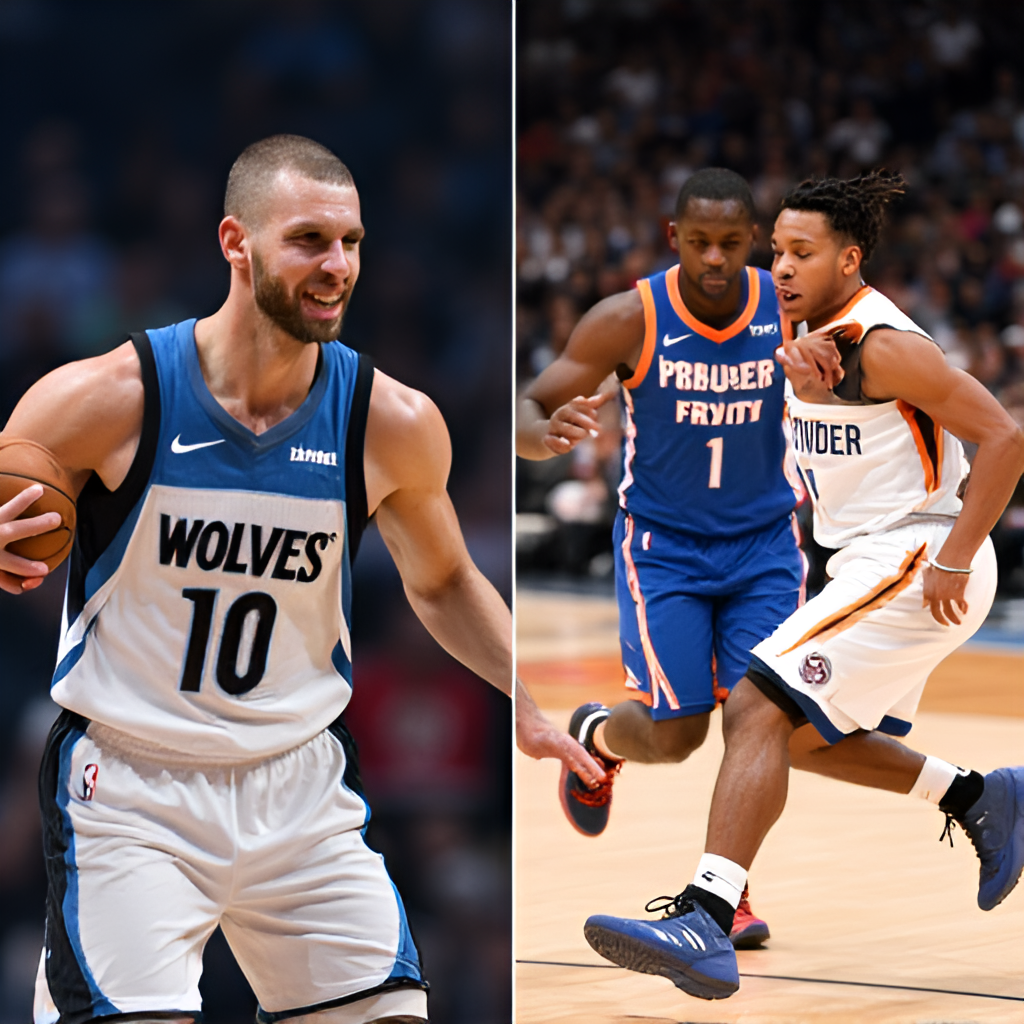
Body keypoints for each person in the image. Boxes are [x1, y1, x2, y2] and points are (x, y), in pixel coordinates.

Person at [0, 134, 513, 1024]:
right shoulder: (106, 398)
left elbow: (443, 583)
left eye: (351, 242)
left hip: (301, 783)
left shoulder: (387, 419)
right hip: (132, 788)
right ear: (236, 243)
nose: (338, 265)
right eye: (309, 240)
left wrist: (534, 703)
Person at [582, 170, 1024, 1001]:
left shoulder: (885, 345)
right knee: (803, 737)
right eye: (777, 251)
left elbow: (1005, 438)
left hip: (916, 554)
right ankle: (979, 797)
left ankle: (706, 917)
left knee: (754, 704)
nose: (779, 268)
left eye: (802, 253)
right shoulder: (808, 338)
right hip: (869, 562)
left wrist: (958, 558)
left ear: (849, 259)